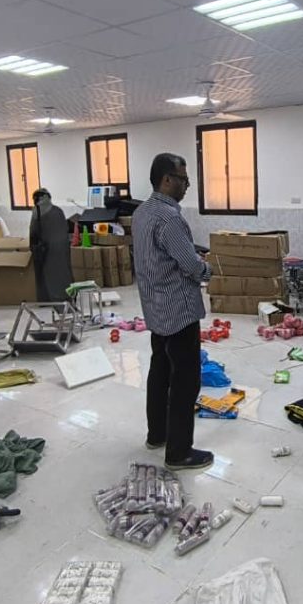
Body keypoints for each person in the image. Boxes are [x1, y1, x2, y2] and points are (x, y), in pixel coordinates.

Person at [132, 153, 213, 471]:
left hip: (155, 309)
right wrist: (207, 269)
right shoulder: (169, 218)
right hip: (179, 312)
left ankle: (157, 435)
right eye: (183, 179)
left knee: (160, 371)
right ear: (166, 180)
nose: (187, 185)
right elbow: (190, 264)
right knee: (185, 380)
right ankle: (179, 452)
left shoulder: (141, 213)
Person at [29, 187, 73, 302]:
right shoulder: (57, 211)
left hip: (46, 253)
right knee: (62, 276)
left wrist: (34, 249)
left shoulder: (37, 212)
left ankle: (49, 300)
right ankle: (66, 297)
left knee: (48, 278)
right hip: (60, 251)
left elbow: (33, 233)